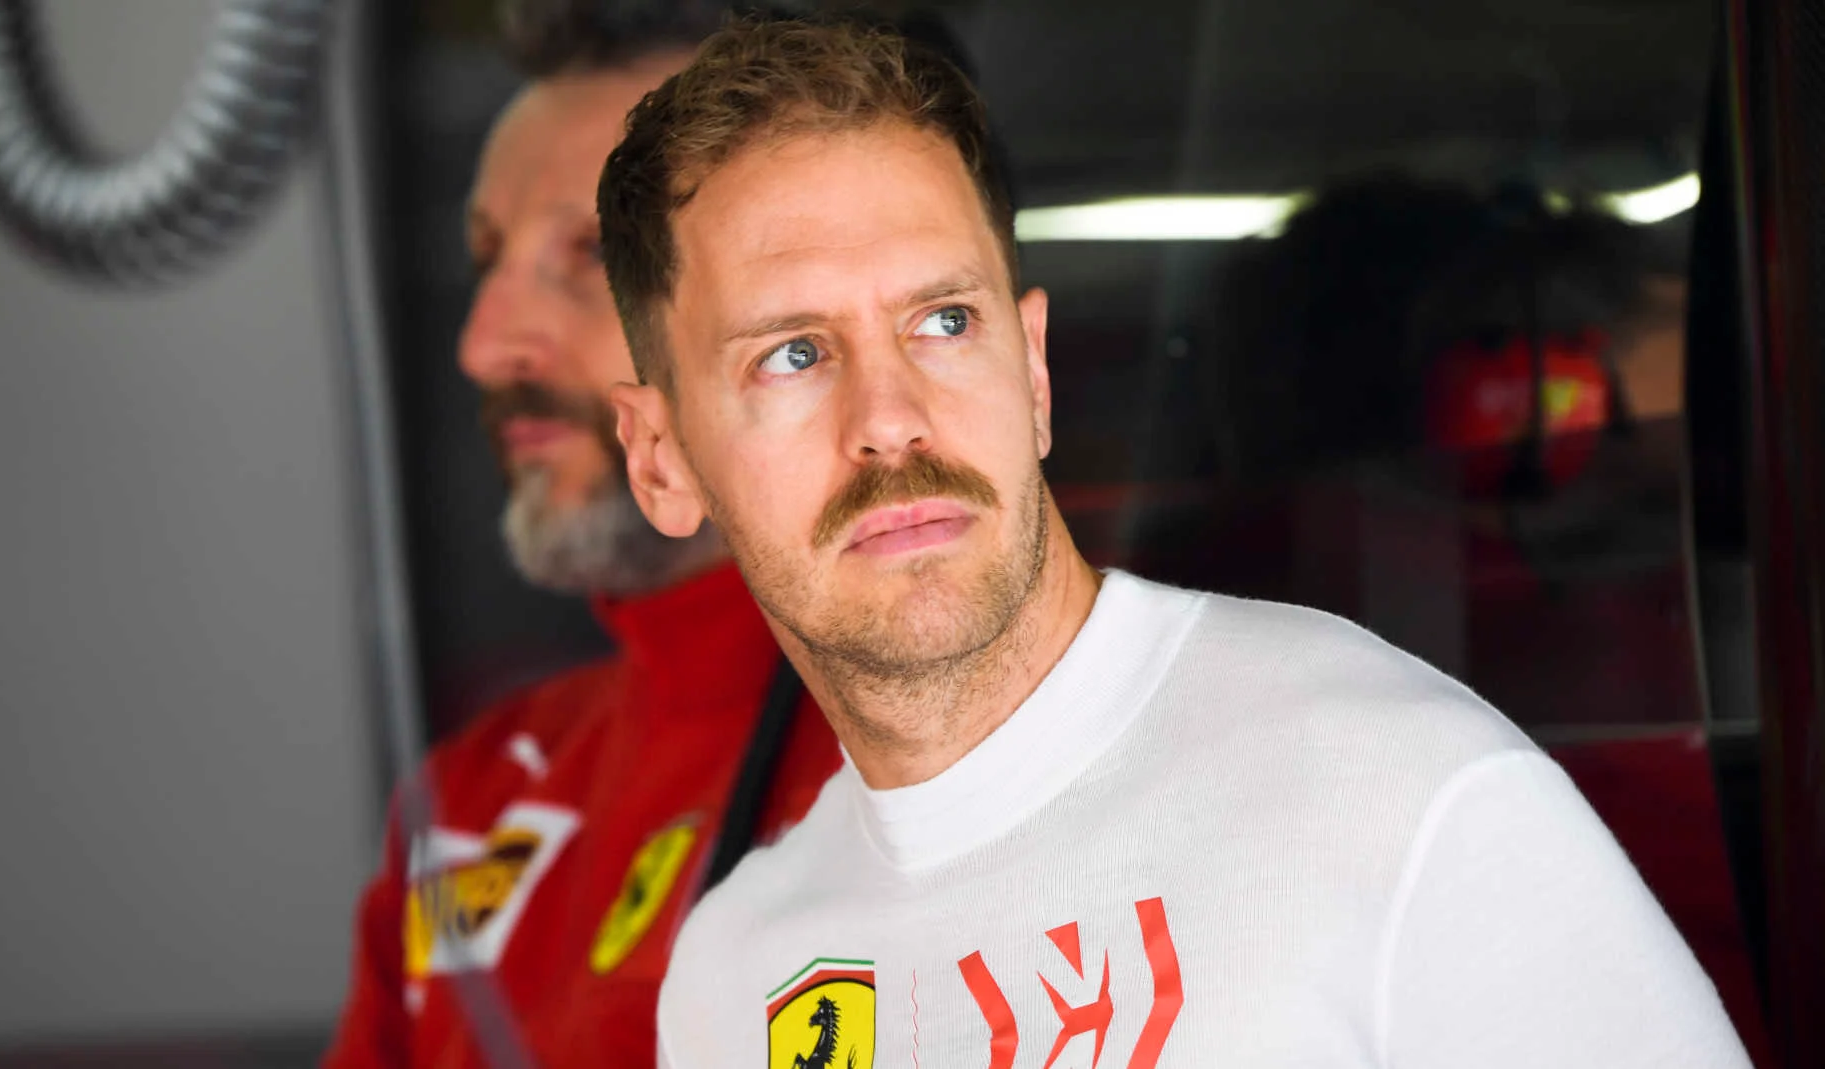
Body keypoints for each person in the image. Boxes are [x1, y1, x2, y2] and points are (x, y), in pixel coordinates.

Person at [596, 17, 1753, 1066]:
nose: (889, 416)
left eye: (944, 321)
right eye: (792, 355)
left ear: (1032, 371)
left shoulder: (1397, 792)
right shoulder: (732, 979)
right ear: (660, 460)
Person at [321, 5, 845, 1065]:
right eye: (487, 259)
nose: (485, 346)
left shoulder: (952, 760)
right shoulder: (474, 796)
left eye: (596, 253)